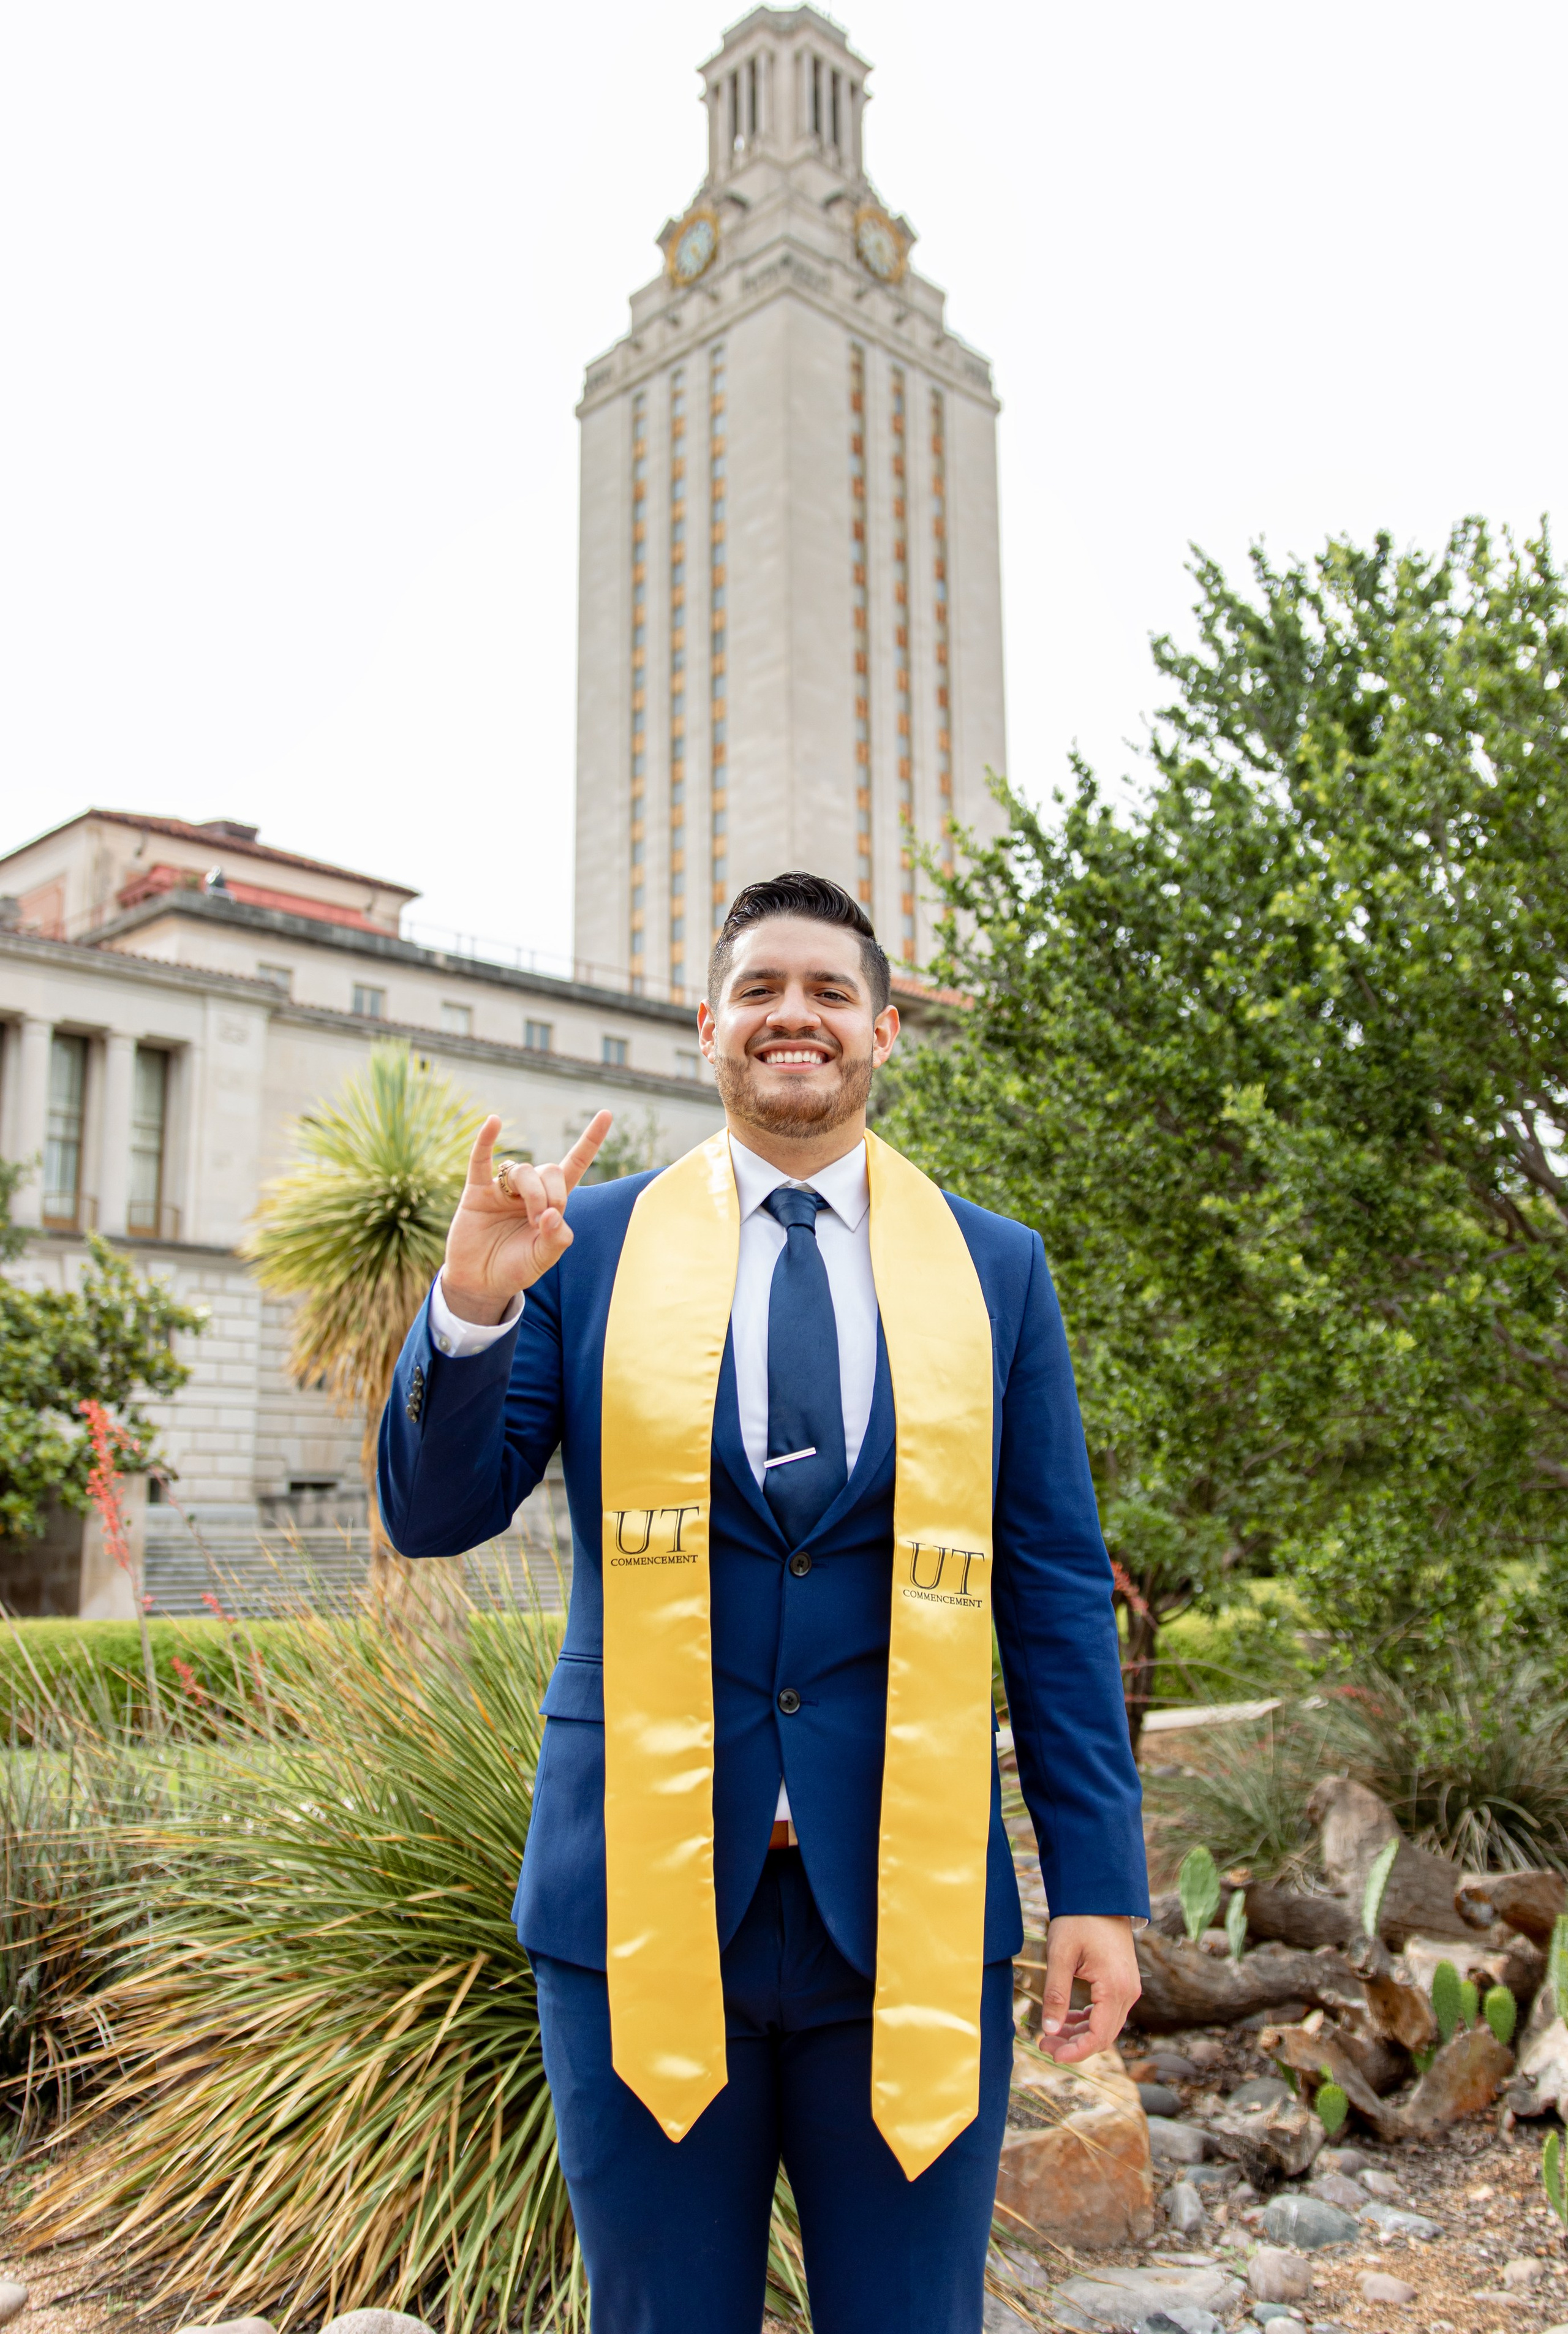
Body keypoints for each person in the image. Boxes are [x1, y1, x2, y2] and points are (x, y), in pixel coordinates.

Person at [379, 871, 1147, 2334]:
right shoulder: (579, 1249)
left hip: (906, 1905)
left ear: (883, 1031)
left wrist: (1095, 1884)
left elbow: (1050, 1587)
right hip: (635, 1905)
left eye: (828, 991)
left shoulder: (994, 1267)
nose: (793, 1015)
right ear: (705, 1027)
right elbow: (435, 1515)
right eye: (758, 991)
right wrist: (471, 1308)